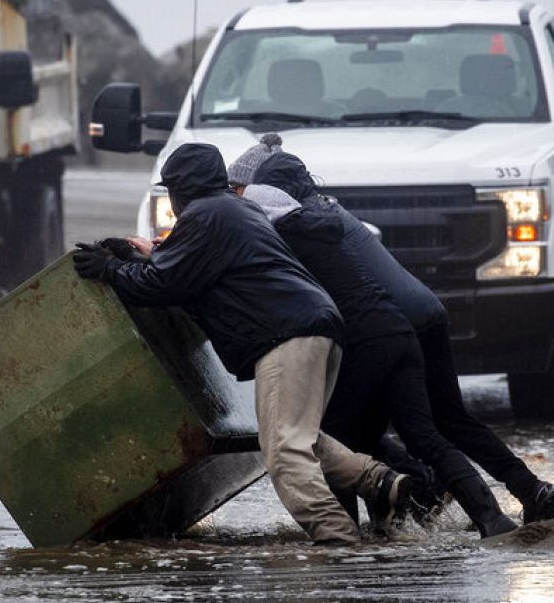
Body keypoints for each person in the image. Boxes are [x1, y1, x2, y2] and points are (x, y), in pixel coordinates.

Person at [72, 142, 411, 545]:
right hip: (316, 327)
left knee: (284, 452)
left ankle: (336, 539)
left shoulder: (205, 215)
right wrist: (136, 256)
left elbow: (164, 284)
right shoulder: (234, 209)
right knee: (296, 433)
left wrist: (111, 269)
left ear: (182, 188)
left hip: (289, 335)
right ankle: (381, 483)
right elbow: (187, 264)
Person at [248, 149, 554, 526]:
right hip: (426, 311)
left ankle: (373, 522)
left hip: (390, 326)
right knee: (447, 421)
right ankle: (527, 489)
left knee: (363, 433)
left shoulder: (297, 227)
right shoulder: (331, 212)